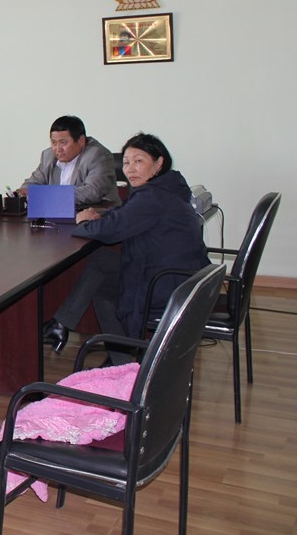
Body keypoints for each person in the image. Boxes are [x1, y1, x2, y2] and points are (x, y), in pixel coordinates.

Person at [42, 133, 210, 363]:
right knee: (102, 279)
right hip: (182, 278)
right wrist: (99, 217)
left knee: (102, 269)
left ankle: (65, 327)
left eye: (138, 161)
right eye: (127, 162)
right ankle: (116, 358)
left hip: (167, 284)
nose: (130, 169)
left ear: (159, 163)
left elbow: (109, 231)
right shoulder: (166, 187)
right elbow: (124, 215)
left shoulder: (152, 196)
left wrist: (83, 222)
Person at [17, 115, 121, 209]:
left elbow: (92, 192)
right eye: (53, 142)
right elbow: (34, 182)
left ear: (81, 140)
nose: (57, 149)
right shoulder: (48, 156)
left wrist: (50, 195)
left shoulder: (97, 155)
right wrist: (24, 191)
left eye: (63, 143)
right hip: (58, 215)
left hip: (96, 215)